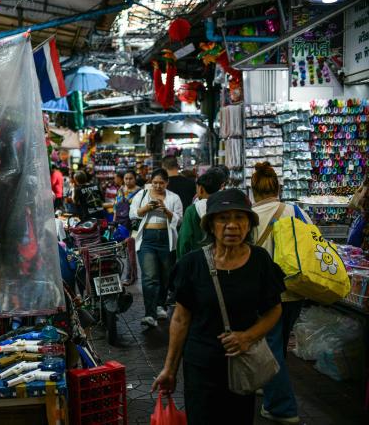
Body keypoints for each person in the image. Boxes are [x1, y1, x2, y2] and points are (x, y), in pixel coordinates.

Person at [153, 188, 285, 425]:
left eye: (239, 218)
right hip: (201, 366)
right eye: (223, 218)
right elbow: (181, 319)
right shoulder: (192, 265)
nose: (232, 226)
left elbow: (274, 309)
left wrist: (247, 337)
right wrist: (169, 369)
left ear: (248, 224)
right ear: (211, 225)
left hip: (242, 363)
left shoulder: (260, 261)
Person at [251, 162, 312, 425]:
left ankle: (282, 407)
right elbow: (313, 242)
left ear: (253, 190)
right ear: (278, 187)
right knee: (278, 344)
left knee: (272, 346)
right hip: (294, 289)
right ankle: (269, 385)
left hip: (265, 293)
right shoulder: (295, 210)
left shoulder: (248, 215)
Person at [129, 168, 183, 327]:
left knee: (165, 276)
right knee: (150, 276)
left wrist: (166, 211)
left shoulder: (174, 197)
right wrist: (148, 208)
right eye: (155, 183)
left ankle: (160, 305)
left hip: (166, 239)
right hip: (147, 239)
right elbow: (134, 214)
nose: (158, 186)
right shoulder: (142, 195)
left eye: (161, 183)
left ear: (167, 183)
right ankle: (150, 314)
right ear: (150, 182)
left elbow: (179, 220)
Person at [177, 169, 223, 258]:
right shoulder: (225, 206)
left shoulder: (193, 210)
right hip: (223, 257)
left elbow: (184, 239)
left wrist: (181, 261)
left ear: (200, 189)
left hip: (199, 257)